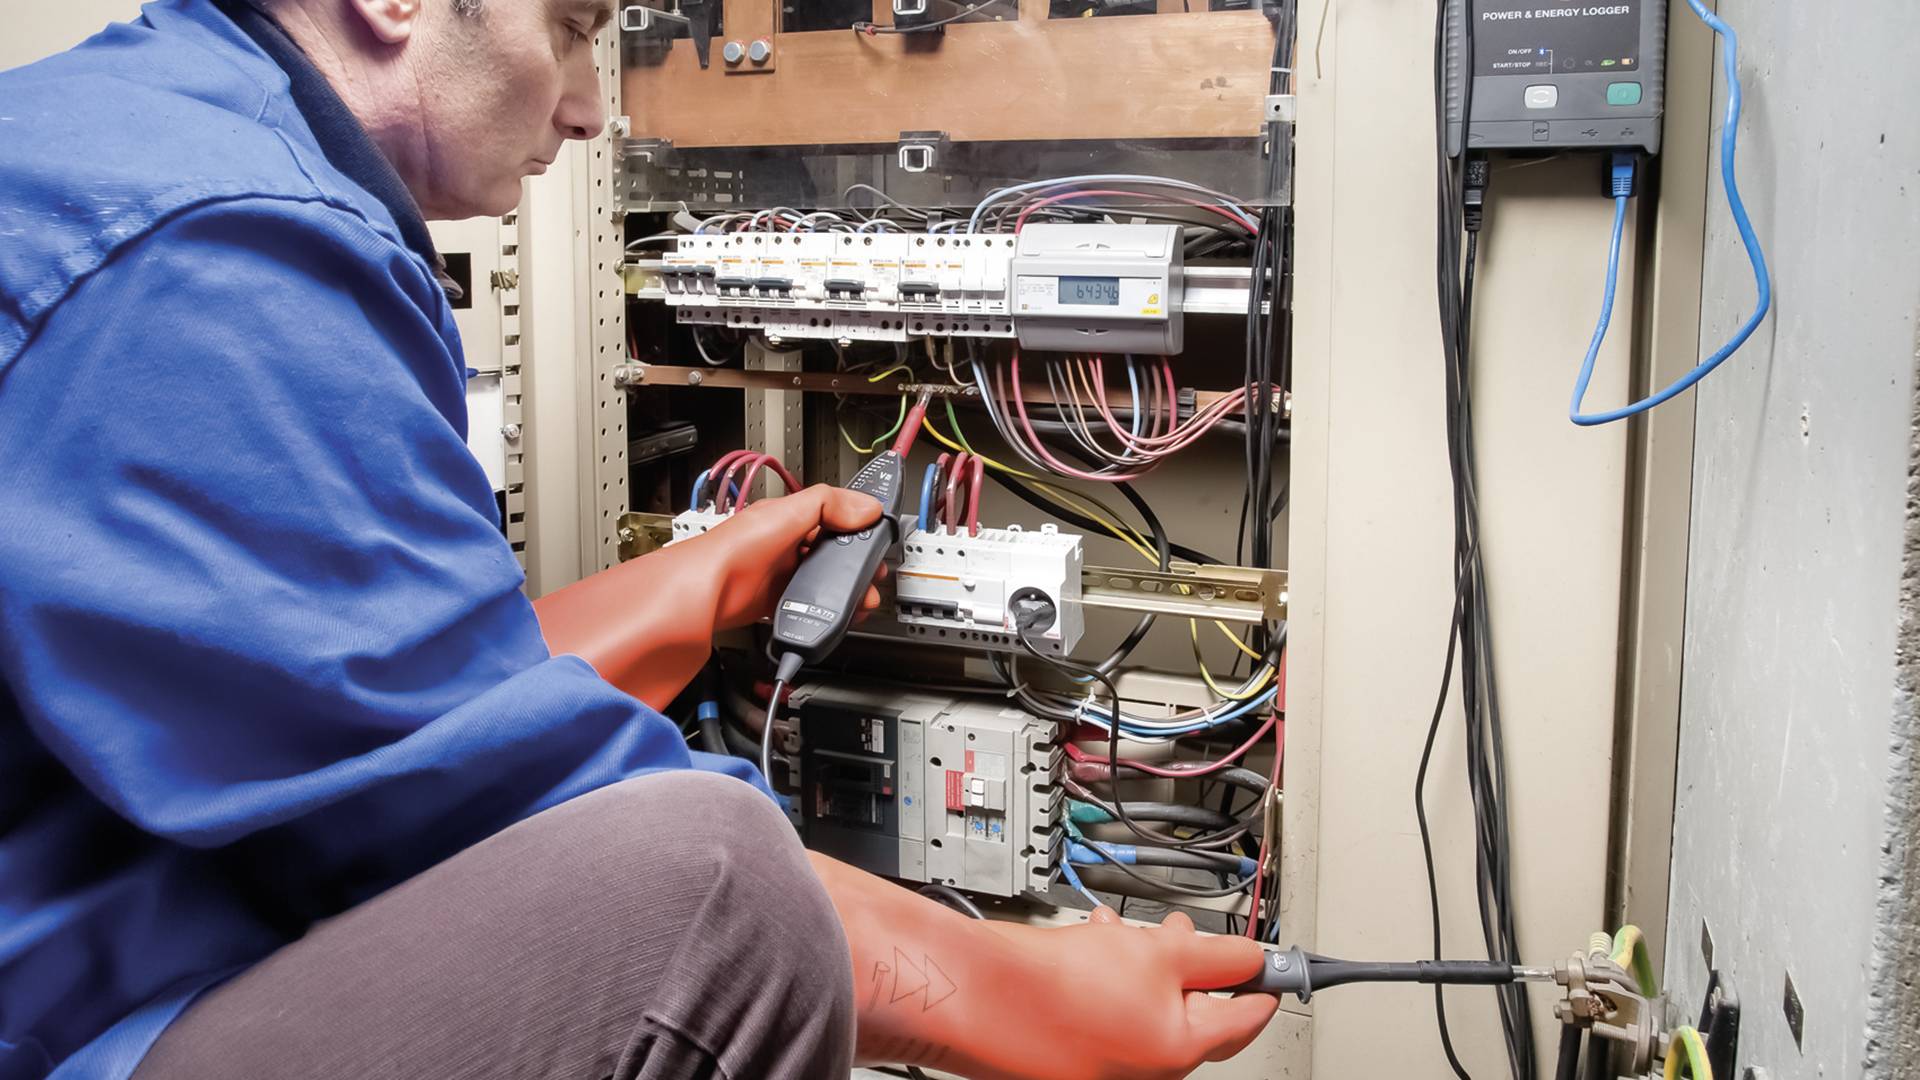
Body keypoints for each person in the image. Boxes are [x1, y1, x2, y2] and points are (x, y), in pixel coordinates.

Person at [0, 2, 1280, 1078]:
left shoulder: (131, 141)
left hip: (80, 951)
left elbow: (342, 704)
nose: (586, 110)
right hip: (70, 1029)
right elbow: (468, 807)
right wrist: (1028, 996)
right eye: (568, 30)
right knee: (720, 898)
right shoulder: (215, 248)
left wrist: (684, 590)